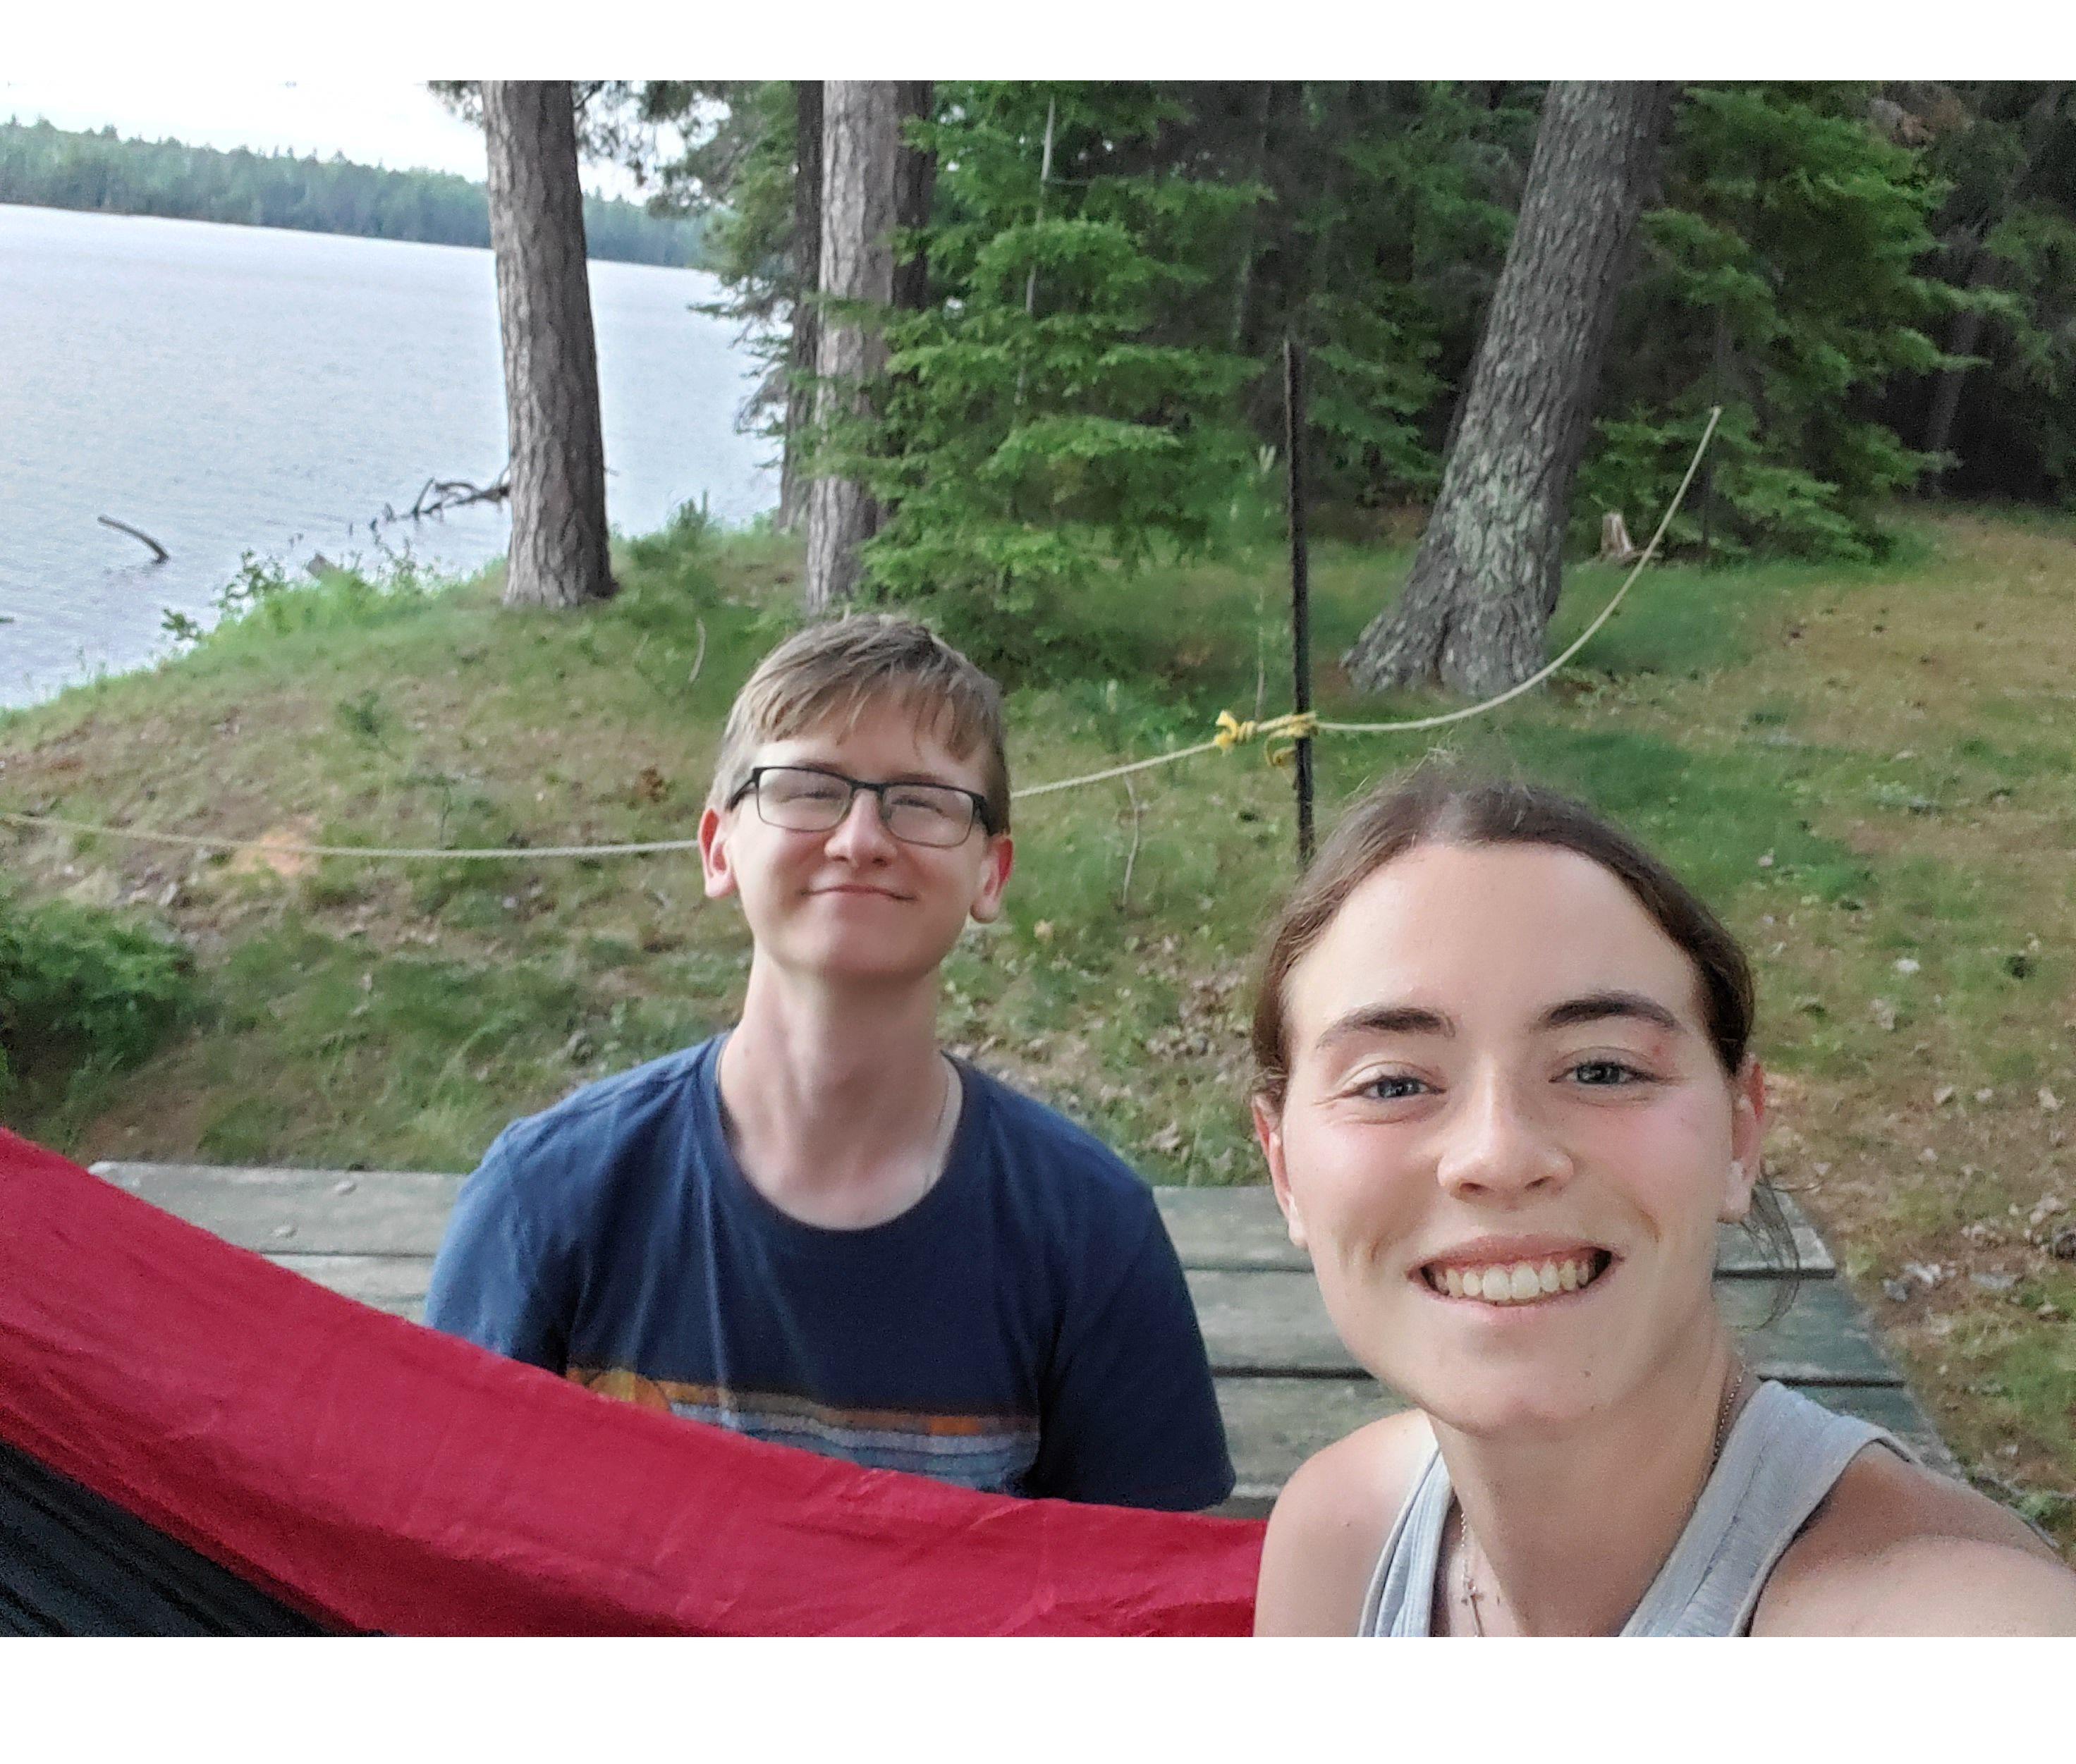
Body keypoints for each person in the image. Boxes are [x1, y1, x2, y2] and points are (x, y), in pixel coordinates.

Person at [427, 613, 1233, 1512]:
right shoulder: (549, 1197)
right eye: (808, 788)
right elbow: (445, 1547)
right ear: (717, 846)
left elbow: (1140, 1611)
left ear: (991, 875)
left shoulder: (1089, 1232)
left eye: (922, 800)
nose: (859, 838)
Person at [1248, 768, 2076, 1635]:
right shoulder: (1338, 1542)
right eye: (1390, 1084)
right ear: (1283, 1168)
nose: (1498, 1153)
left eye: (1603, 1069)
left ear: (1739, 1135)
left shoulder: (1957, 1635)